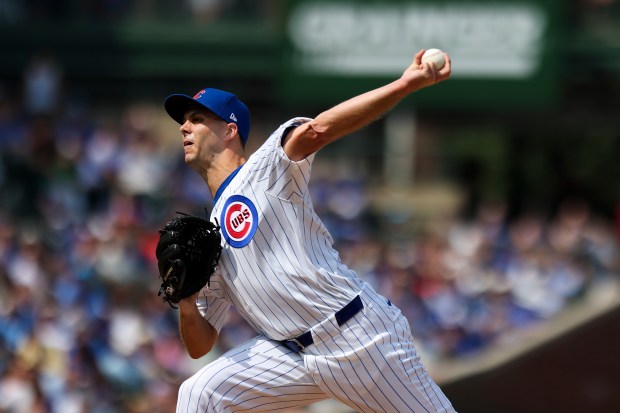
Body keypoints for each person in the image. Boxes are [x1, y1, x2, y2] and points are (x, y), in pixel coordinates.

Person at [162, 49, 456, 413]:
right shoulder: (206, 239)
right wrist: (186, 301)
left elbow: (319, 129)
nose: (183, 127)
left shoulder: (267, 168)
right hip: (291, 358)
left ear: (229, 130)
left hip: (358, 336)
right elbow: (199, 345)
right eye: (183, 121)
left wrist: (404, 85)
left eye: (196, 118)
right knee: (199, 392)